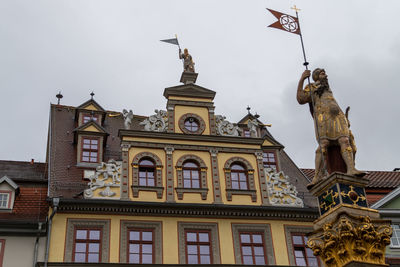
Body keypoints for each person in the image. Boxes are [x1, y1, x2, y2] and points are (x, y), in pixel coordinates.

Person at [297, 68, 364, 186]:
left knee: (345, 141)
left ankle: (351, 169)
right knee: (323, 144)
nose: (326, 75)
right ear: (316, 76)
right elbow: (301, 99)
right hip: (323, 119)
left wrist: (345, 119)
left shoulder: (327, 88)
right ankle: (317, 176)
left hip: (338, 118)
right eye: (323, 74)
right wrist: (302, 79)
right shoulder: (312, 87)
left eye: (325, 73)